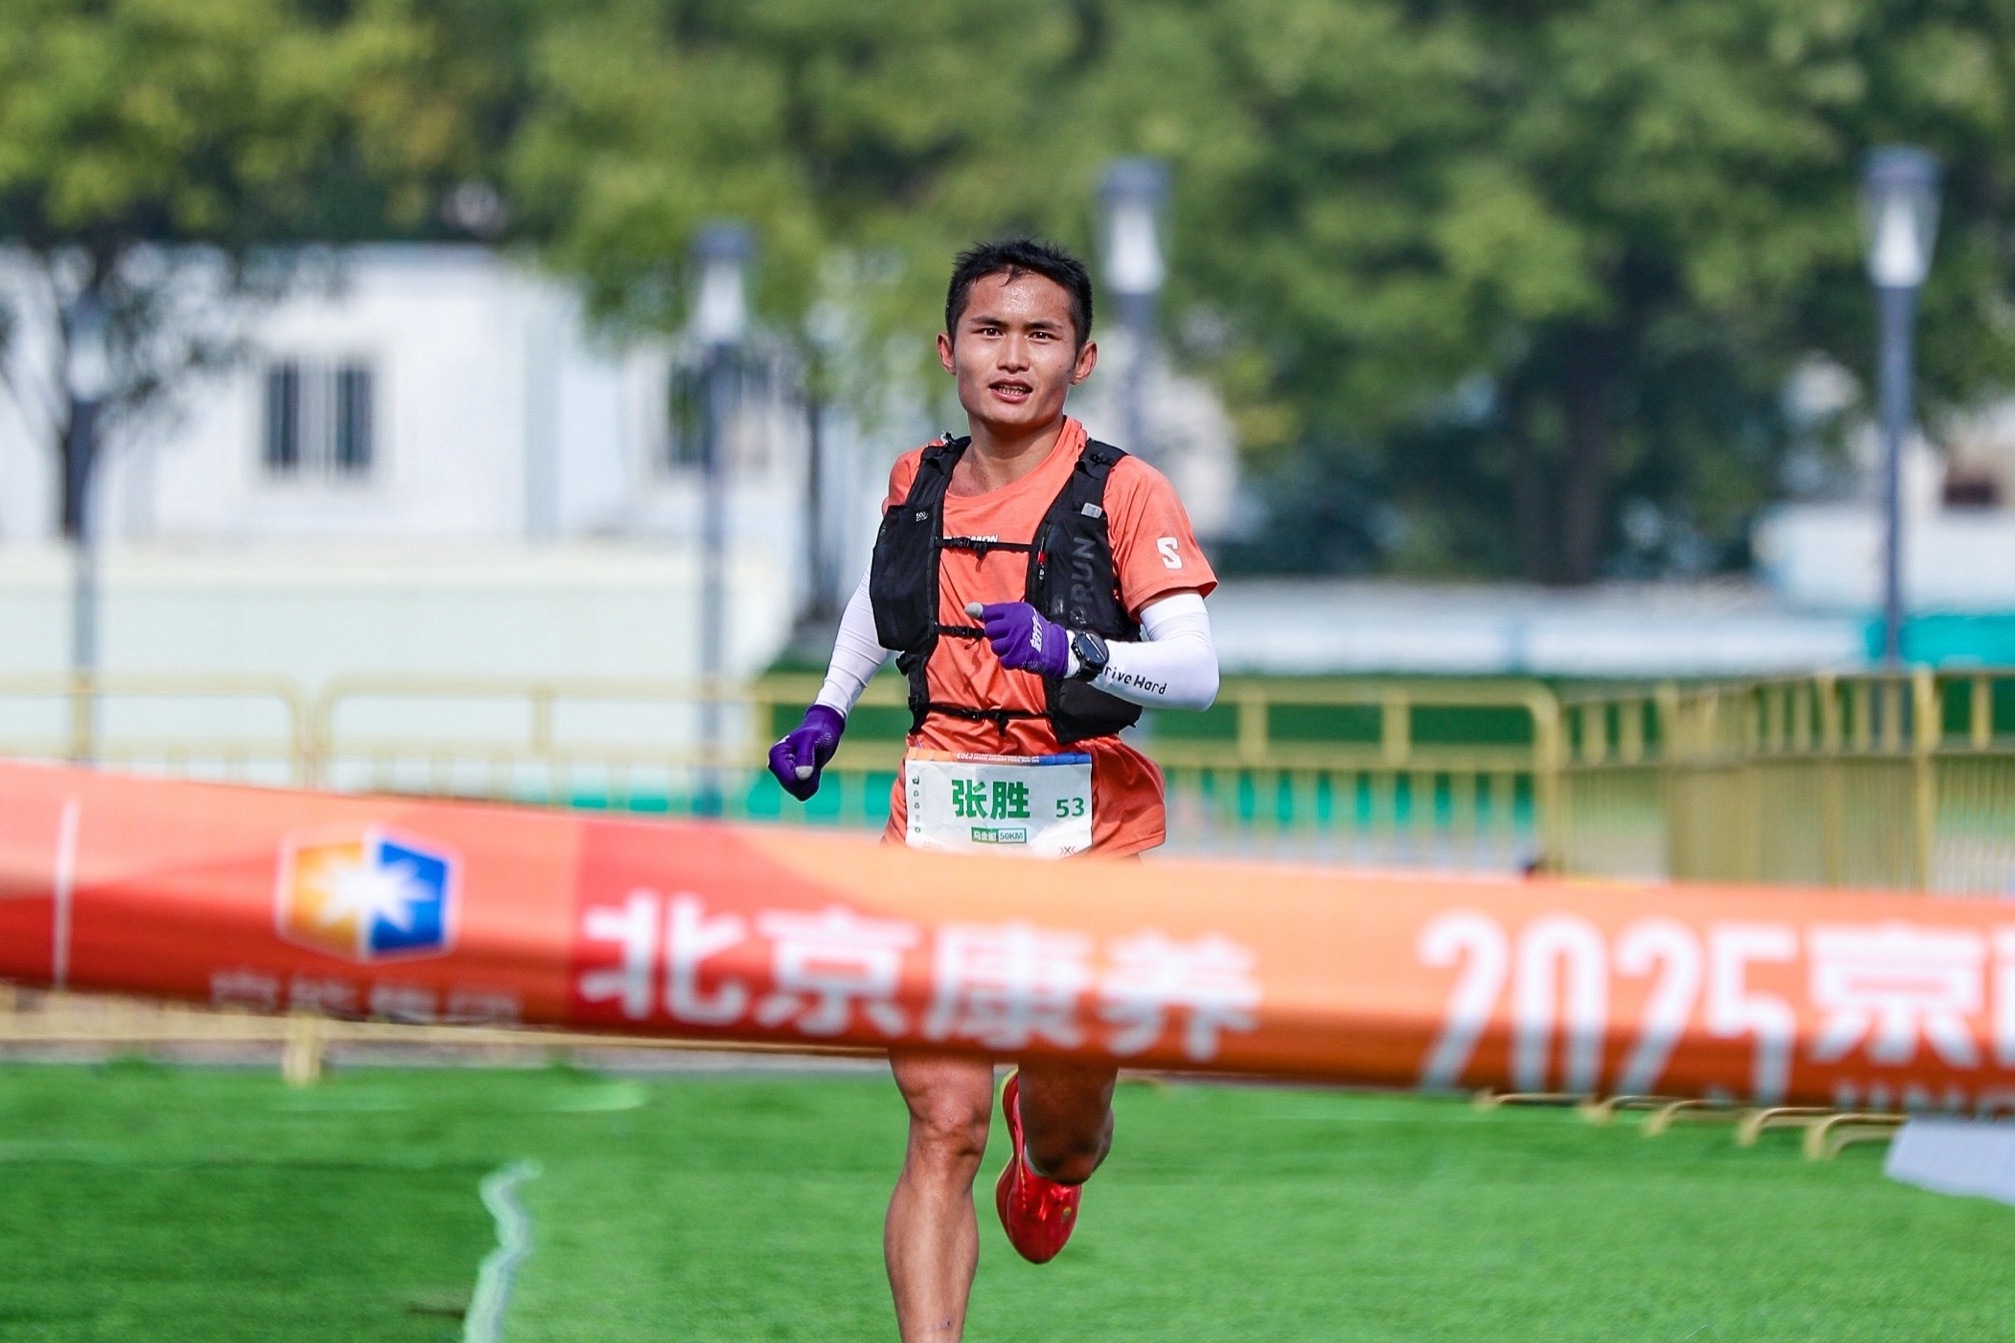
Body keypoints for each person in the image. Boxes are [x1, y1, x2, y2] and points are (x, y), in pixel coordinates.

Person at [767, 237, 1220, 1342]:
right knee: (941, 1123)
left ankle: (1049, 1146)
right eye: (988, 331)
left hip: (1085, 843)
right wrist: (829, 708)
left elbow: (1196, 670)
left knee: (1068, 1133)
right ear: (947, 348)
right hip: (934, 828)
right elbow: (881, 603)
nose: (1010, 357)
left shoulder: (1122, 489)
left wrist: (1074, 649)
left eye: (1039, 334)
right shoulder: (912, 480)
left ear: (1082, 356)